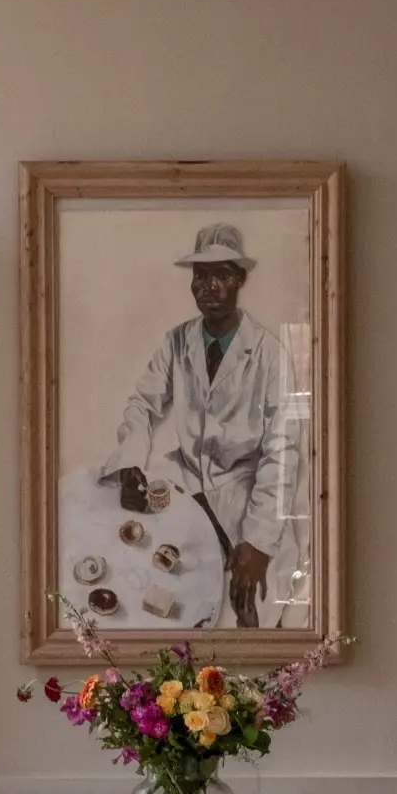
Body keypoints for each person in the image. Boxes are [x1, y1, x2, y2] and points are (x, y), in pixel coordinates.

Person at [99, 223, 301, 627]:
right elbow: (142, 403)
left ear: (241, 279)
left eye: (222, 275)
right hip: (192, 495)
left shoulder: (270, 355)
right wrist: (129, 465)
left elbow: (283, 451)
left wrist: (258, 542)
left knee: (258, 616)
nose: (210, 287)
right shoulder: (178, 342)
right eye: (201, 276)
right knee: (162, 601)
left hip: (249, 498)